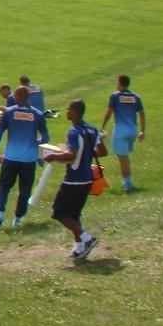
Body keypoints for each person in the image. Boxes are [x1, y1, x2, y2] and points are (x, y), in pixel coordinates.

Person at [44, 99, 107, 260]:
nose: (67, 112)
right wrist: (85, 154)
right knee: (74, 215)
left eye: (69, 110)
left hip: (73, 180)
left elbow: (71, 156)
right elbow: (102, 151)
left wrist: (54, 156)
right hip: (87, 179)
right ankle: (80, 247)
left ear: (75, 112)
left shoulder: (73, 132)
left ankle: (87, 238)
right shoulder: (92, 130)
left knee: (59, 212)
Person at [0, 86, 50, 232]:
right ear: (28, 97)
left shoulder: (9, 112)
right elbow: (45, 137)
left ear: (17, 97)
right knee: (25, 190)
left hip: (11, 157)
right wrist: (36, 145)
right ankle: (17, 219)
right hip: (29, 159)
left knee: (4, 186)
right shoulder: (37, 114)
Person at [101, 74, 146, 192]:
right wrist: (142, 131)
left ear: (120, 83)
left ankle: (128, 184)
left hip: (121, 130)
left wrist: (103, 125)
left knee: (123, 158)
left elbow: (109, 112)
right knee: (125, 157)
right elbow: (141, 114)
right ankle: (126, 181)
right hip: (132, 130)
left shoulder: (115, 96)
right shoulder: (136, 97)